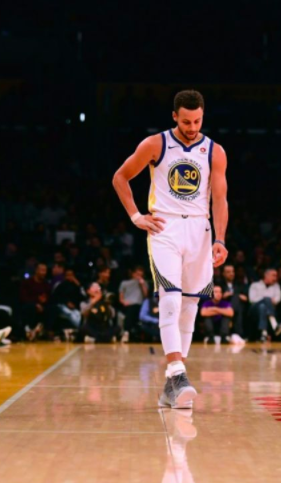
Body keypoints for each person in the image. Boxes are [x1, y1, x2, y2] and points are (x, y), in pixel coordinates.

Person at [113, 89, 229, 409]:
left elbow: (220, 199)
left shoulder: (214, 151)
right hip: (164, 227)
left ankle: (172, 387)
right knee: (171, 298)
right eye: (186, 121)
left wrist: (220, 239)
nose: (192, 127)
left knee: (190, 305)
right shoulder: (156, 144)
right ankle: (178, 374)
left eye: (198, 121)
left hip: (200, 229)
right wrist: (136, 216)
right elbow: (120, 177)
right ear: (175, 116)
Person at [248, 268, 281, 341]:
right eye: (273, 275)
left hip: (266, 310)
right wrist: (266, 299)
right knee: (266, 300)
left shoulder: (276, 286)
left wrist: (266, 300)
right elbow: (252, 300)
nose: (275, 278)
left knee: (262, 307)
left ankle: (264, 333)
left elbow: (277, 299)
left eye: (276, 276)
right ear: (266, 275)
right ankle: (274, 324)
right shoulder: (255, 285)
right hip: (254, 311)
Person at [119, 266, 148, 342]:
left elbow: (145, 295)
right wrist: (124, 302)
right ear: (133, 273)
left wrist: (142, 284)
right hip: (127, 305)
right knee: (130, 310)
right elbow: (121, 297)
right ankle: (126, 332)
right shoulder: (124, 283)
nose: (139, 276)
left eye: (141, 275)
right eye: (137, 274)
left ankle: (126, 332)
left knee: (134, 308)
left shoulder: (144, 283)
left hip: (139, 305)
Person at [219, 264, 247, 344]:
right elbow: (215, 297)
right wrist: (223, 296)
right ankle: (238, 334)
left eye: (232, 271)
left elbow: (246, 298)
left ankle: (231, 311)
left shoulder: (239, 283)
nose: (231, 274)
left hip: (237, 307)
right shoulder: (219, 283)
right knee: (236, 300)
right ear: (223, 274)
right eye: (228, 272)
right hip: (223, 306)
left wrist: (237, 296)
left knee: (236, 298)